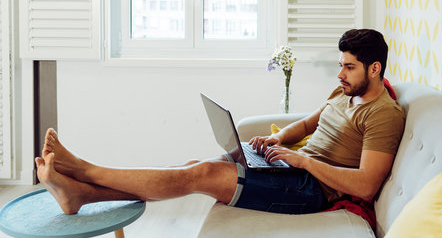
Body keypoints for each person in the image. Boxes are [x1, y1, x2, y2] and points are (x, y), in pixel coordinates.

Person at [35, 29, 405, 216]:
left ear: (374, 69)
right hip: (292, 170)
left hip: (310, 189)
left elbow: (368, 187)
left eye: (349, 67)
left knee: (198, 177)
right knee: (193, 166)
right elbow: (308, 124)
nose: (340, 73)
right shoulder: (345, 92)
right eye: (341, 64)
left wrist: (303, 161)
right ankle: (81, 194)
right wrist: (271, 142)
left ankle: (84, 170)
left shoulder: (383, 115)